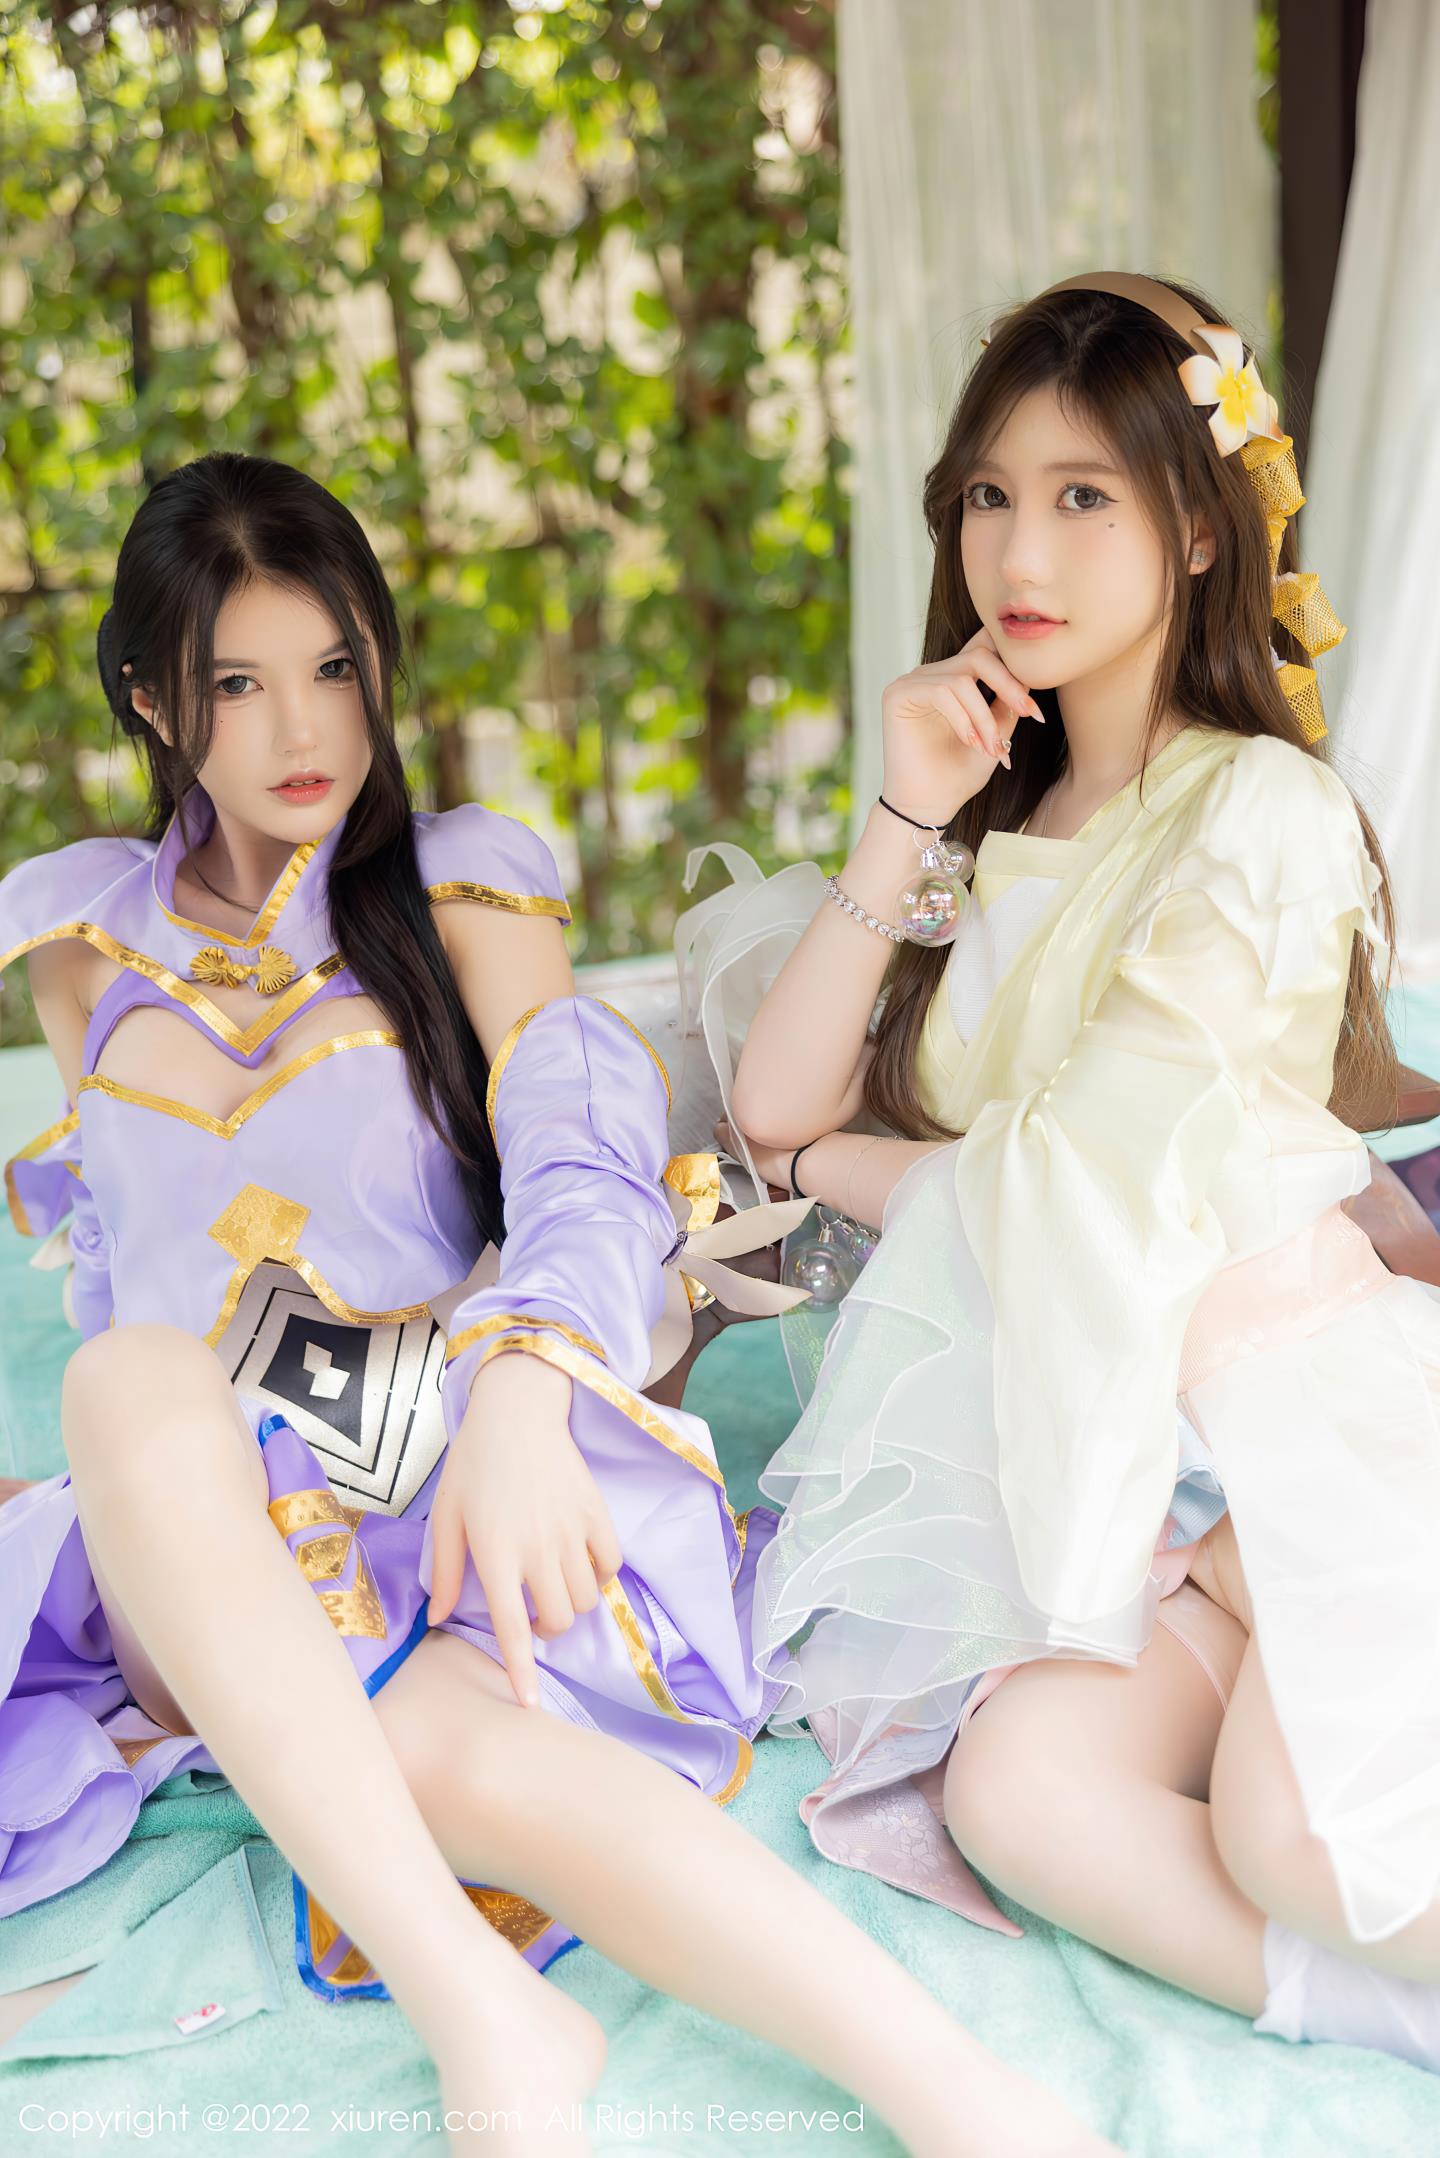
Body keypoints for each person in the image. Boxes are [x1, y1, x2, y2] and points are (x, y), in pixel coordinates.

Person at [0, 451, 1118, 2157]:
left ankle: (951, 2097)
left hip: (426, 1448)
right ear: (155, 701)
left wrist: (526, 1387)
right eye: (236, 682)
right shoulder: (80, 940)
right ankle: (526, 2016)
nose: (303, 726)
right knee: (131, 1384)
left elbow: (587, 1170)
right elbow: (114, 1271)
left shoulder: (455, 887)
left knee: (434, 1744)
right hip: (182, 1504)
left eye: (335, 665)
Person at [716, 271, 1440, 2075]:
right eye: (989, 495)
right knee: (1019, 1790)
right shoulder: (991, 826)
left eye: (1082, 495)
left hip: (1292, 1417)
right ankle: (1396, 2021)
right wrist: (906, 805)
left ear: (1196, 526)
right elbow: (770, 1103)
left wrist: (835, 1163)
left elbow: (1079, 1181)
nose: (1018, 552)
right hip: (1117, 1449)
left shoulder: (1262, 814)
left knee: (1299, 1840)